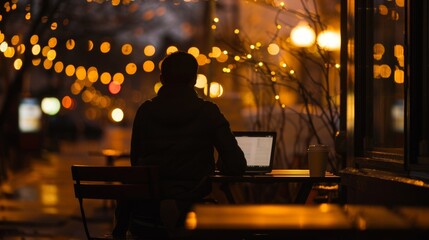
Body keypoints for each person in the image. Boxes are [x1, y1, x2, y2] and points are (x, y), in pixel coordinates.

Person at [112, 51, 247, 239]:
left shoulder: (145, 111)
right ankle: (176, 208)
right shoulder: (208, 112)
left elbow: (136, 162)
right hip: (193, 208)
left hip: (146, 216)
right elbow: (237, 164)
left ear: (162, 79)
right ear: (194, 80)